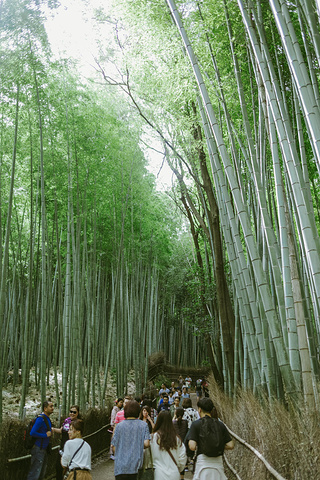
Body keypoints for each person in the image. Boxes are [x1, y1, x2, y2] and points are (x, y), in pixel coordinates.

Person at [187, 398, 234, 480]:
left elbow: (192, 446)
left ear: (200, 410)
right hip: (218, 463)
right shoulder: (220, 425)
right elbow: (231, 445)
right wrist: (217, 445)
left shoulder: (196, 424)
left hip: (202, 463)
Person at [111, 400, 150, 479]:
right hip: (136, 466)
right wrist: (136, 443)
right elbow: (147, 444)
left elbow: (114, 446)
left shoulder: (119, 426)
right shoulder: (143, 425)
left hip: (120, 467)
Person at [151, 411, 187, 480]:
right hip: (174, 474)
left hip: (158, 474)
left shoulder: (153, 438)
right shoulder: (177, 438)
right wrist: (179, 468)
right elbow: (182, 457)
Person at [27, 400, 54, 480]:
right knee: (35, 472)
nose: (53, 408)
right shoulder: (40, 419)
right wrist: (45, 435)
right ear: (45, 408)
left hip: (44, 449)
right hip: (38, 448)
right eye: (51, 406)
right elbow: (32, 432)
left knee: (41, 472)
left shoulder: (47, 418)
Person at [52, 405, 81, 480]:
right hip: (63, 446)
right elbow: (61, 430)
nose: (72, 413)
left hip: (72, 447)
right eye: (71, 411)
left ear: (77, 413)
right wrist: (53, 429)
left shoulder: (78, 423)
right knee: (58, 466)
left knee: (69, 468)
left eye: (74, 412)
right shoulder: (67, 420)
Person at [172, 407, 189, 480]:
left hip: (175, 444)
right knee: (182, 461)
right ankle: (182, 477)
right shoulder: (185, 422)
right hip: (183, 444)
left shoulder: (173, 422)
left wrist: (174, 416)